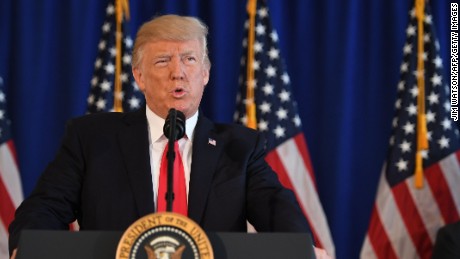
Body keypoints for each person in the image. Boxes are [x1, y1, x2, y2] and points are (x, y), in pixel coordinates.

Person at [9, 14, 329, 258]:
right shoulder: (91, 139)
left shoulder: (240, 148)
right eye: (163, 61)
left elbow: (278, 211)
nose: (178, 72)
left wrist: (300, 249)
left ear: (205, 73)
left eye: (189, 59)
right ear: (139, 76)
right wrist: (28, 248)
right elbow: (44, 210)